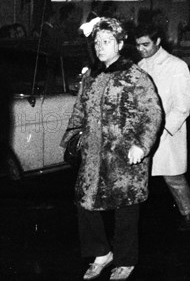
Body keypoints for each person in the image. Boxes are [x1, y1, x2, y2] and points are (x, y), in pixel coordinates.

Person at [61, 18, 162, 281]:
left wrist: (142, 145)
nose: (100, 46)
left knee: (126, 207)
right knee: (85, 203)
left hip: (125, 155)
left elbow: (152, 113)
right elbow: (79, 111)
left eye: (107, 41)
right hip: (93, 155)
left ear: (119, 43)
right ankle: (101, 253)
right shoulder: (91, 76)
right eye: (97, 42)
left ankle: (126, 260)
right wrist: (74, 138)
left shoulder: (135, 75)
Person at [135, 24, 190, 231]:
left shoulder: (177, 66)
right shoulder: (140, 66)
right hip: (144, 131)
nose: (141, 49)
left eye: (146, 44)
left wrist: (163, 129)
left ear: (158, 41)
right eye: (138, 45)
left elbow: (182, 105)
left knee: (173, 178)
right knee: (141, 174)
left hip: (167, 132)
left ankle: (188, 213)